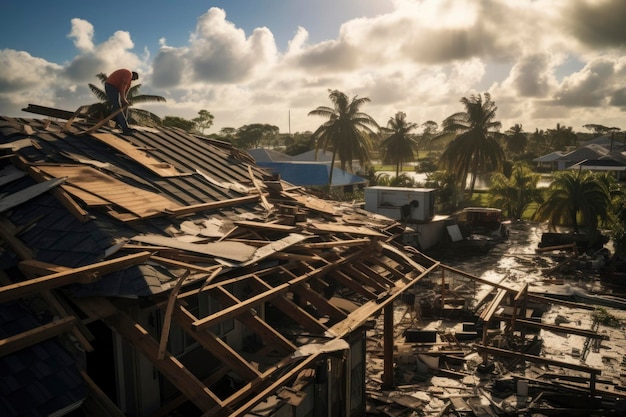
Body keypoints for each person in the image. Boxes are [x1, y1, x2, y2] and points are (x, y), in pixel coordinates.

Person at [104, 69, 139, 135]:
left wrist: (125, 101)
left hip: (115, 88)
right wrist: (123, 99)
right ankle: (125, 128)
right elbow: (122, 87)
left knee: (124, 106)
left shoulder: (129, 82)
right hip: (110, 86)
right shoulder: (128, 74)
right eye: (134, 79)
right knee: (118, 107)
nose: (133, 80)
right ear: (133, 76)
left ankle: (119, 124)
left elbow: (125, 91)